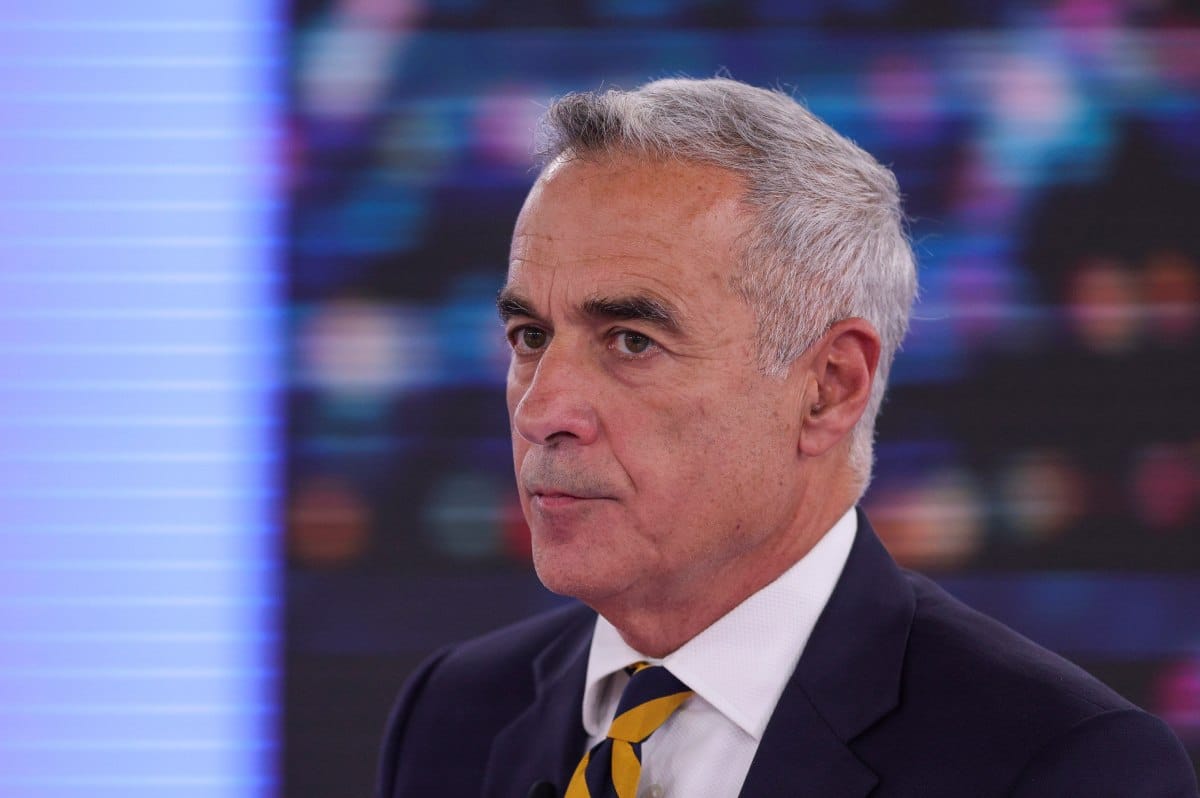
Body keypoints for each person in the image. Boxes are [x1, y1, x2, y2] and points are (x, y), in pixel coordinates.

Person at [376, 77, 1198, 797]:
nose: (541, 408)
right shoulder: (453, 713)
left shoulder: (1061, 764)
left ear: (829, 388)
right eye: (530, 337)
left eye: (631, 340)